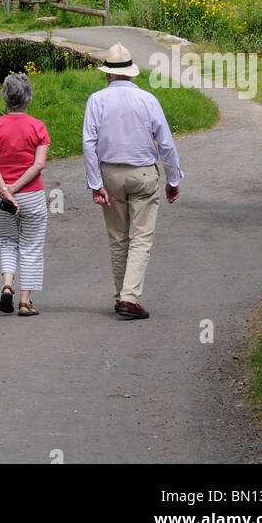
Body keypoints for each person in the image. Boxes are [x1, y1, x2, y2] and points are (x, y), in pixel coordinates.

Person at [82, 42, 183, 320]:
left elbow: (89, 144)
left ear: (108, 75)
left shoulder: (96, 100)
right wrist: (173, 178)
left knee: (118, 238)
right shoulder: (148, 100)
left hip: (110, 174)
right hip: (143, 174)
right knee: (141, 238)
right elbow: (165, 143)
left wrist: (95, 183)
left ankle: (121, 295)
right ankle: (129, 297)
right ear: (131, 73)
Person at [0, 72, 50, 317]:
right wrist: (16, 188)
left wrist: (5, 190)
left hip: (1, 198)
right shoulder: (38, 126)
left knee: (8, 242)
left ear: (5, 98)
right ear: (28, 98)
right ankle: (25, 301)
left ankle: (7, 285)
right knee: (32, 246)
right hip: (31, 193)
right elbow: (38, 165)